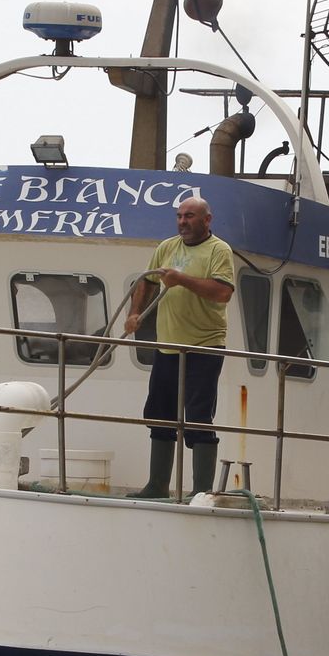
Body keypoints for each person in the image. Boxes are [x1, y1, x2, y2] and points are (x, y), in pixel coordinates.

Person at [124, 195, 235, 499]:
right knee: (159, 412)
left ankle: (201, 491)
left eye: (189, 216)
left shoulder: (219, 250)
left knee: (198, 415)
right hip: (167, 347)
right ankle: (157, 484)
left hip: (204, 346)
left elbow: (223, 292)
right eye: (179, 216)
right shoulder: (166, 247)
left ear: (207, 220)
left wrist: (181, 280)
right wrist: (134, 313)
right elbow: (147, 282)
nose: (183, 222)